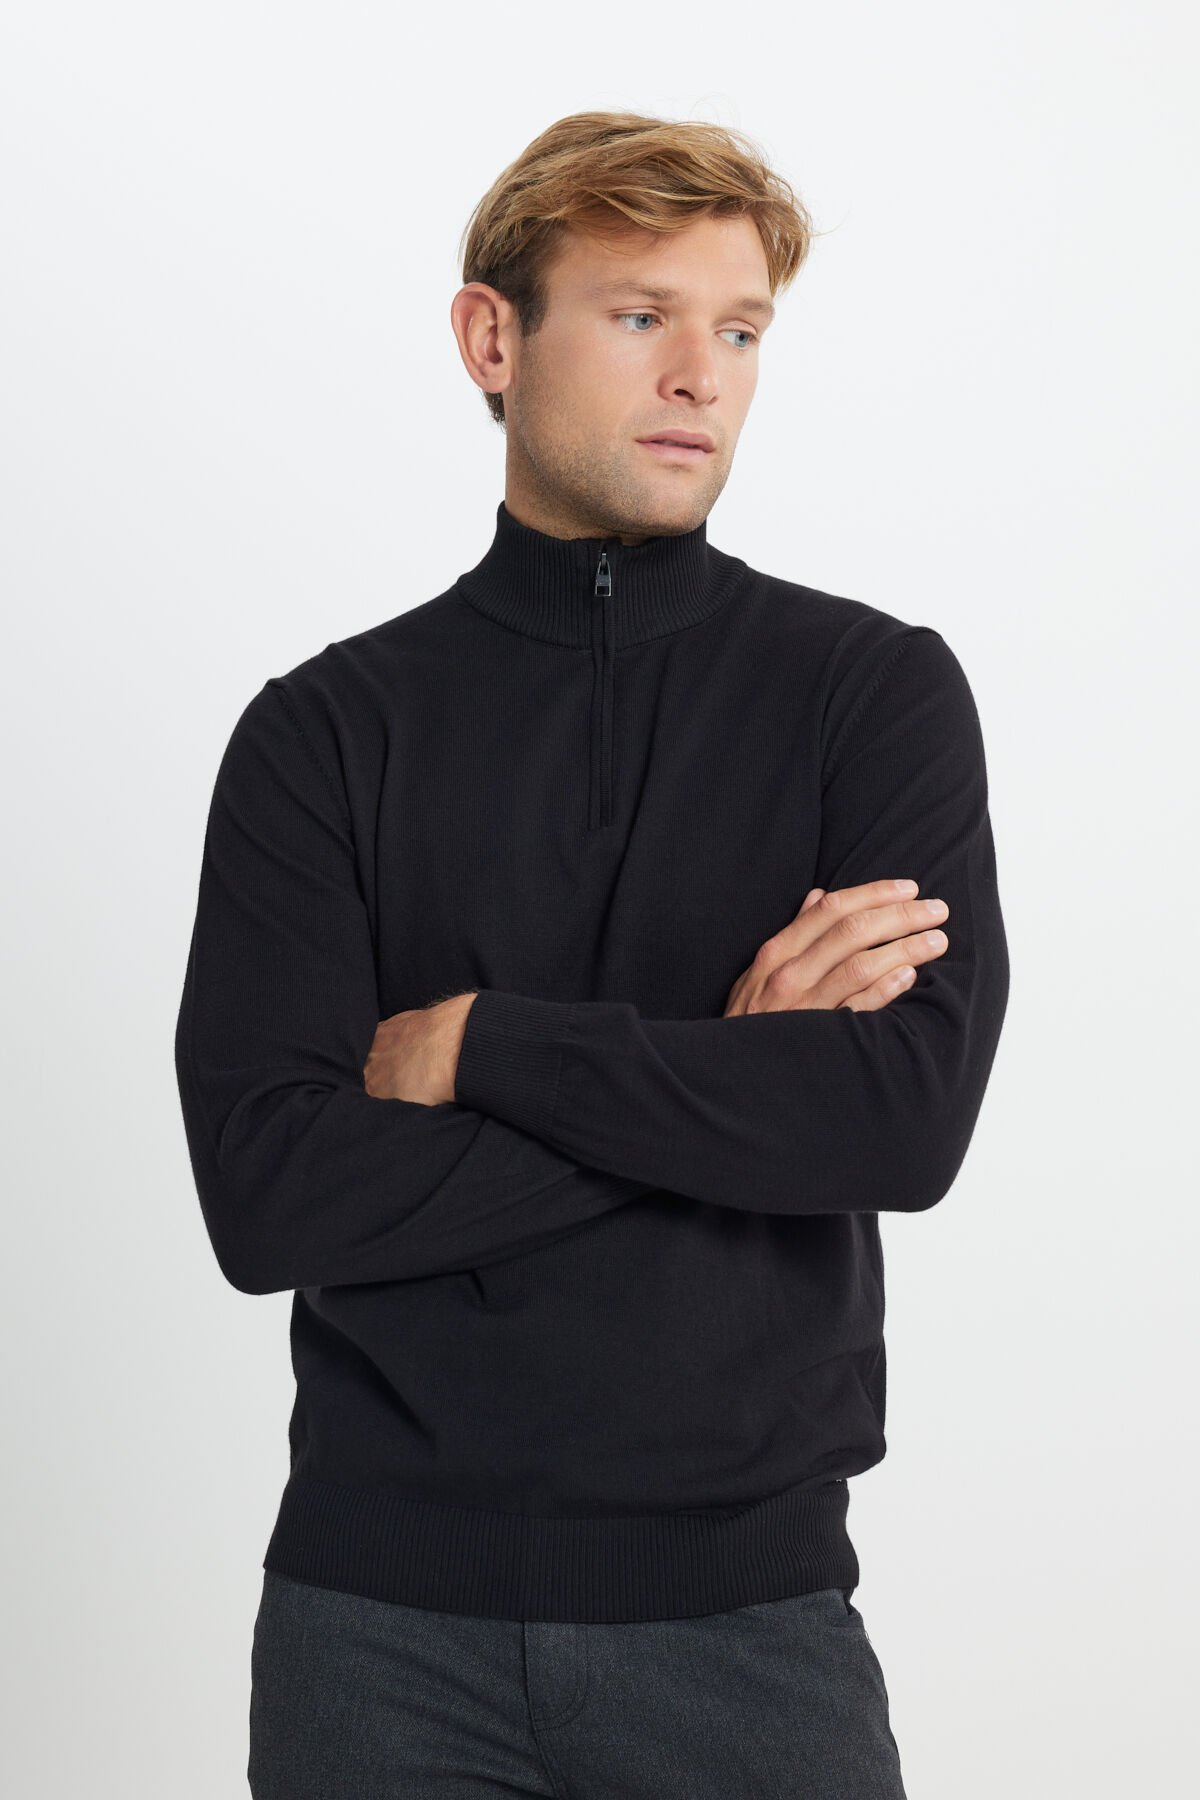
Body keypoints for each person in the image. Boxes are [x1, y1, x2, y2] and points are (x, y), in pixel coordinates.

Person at [175, 109, 1009, 1799]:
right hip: (373, 1640)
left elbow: (899, 1124)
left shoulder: (871, 695)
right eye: (641, 316)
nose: (702, 375)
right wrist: (738, 1068)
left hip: (749, 1631)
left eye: (742, 330)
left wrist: (487, 1048)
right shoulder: (323, 733)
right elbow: (271, 1199)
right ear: (493, 338)